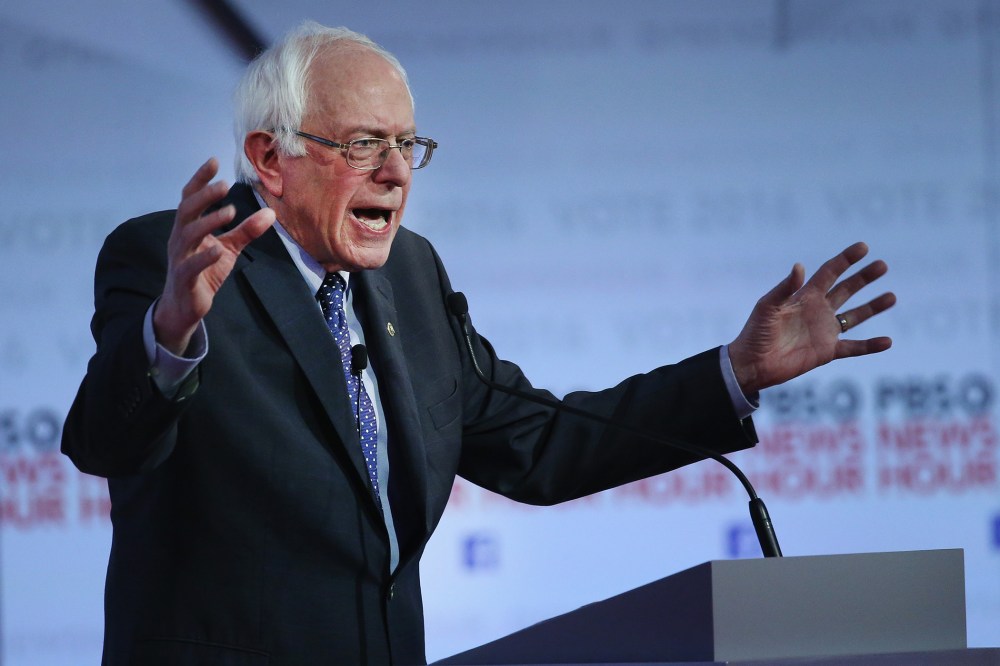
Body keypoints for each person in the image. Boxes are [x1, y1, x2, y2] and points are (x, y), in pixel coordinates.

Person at [61, 21, 895, 666]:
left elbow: (536, 441)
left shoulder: (410, 275)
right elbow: (107, 442)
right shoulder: (170, 260)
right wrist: (169, 334)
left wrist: (735, 373)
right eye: (362, 145)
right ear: (268, 159)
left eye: (406, 145)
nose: (395, 172)